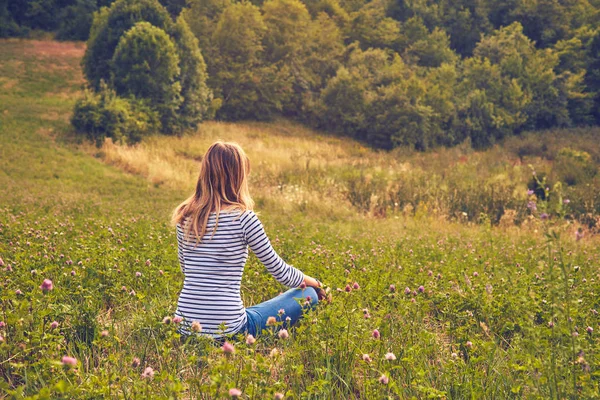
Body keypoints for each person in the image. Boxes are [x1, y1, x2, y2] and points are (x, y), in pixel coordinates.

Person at [171, 141, 327, 339]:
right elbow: (281, 272)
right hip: (229, 332)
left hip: (184, 328)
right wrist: (316, 284)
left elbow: (187, 270)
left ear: (205, 173)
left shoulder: (185, 216)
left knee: (259, 308)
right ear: (238, 177)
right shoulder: (243, 218)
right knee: (308, 295)